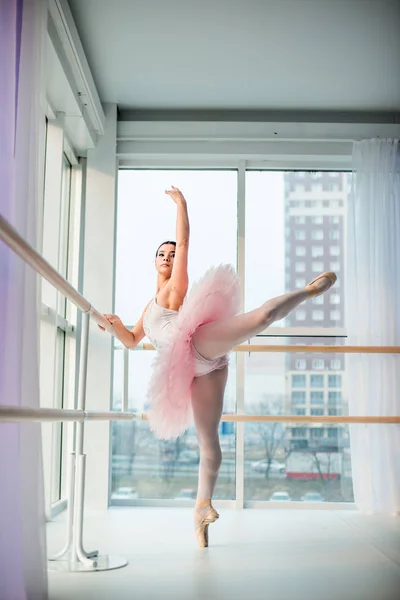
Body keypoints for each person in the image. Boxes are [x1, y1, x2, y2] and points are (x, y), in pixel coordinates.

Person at [100, 186, 337, 548]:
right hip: (191, 371)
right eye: (161, 254)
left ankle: (308, 292)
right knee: (208, 443)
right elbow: (132, 341)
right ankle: (201, 508)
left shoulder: (175, 287)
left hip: (198, 344)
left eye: (171, 254)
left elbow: (184, 238)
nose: (167, 257)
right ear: (153, 262)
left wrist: (181, 204)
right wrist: (111, 325)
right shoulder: (149, 306)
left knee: (262, 316)